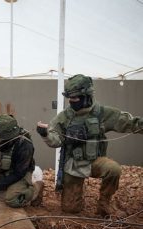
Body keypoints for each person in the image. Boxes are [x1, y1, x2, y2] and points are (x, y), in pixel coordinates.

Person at [36, 74, 143, 216]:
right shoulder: (64, 117)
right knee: (71, 209)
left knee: (113, 169)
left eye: (75, 98)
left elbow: (129, 122)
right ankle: (77, 194)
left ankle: (104, 203)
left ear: (87, 96)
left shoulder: (101, 113)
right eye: (70, 98)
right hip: (74, 164)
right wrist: (45, 134)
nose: (71, 102)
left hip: (95, 161)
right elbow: (55, 140)